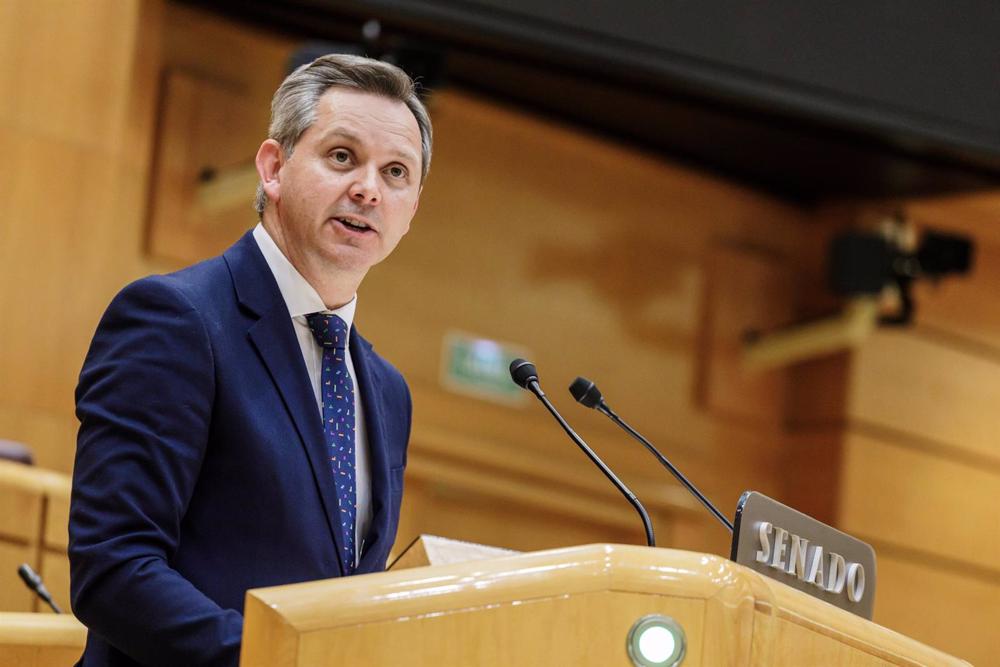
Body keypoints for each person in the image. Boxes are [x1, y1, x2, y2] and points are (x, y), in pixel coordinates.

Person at [69, 54, 432, 667]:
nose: (368, 188)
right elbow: (113, 570)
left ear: (411, 210)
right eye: (342, 156)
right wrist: (275, 660)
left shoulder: (387, 392)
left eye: (395, 172)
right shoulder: (176, 320)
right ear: (273, 168)